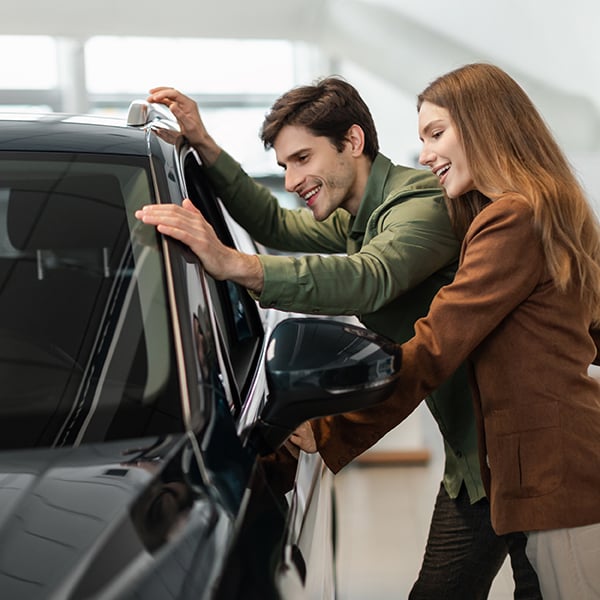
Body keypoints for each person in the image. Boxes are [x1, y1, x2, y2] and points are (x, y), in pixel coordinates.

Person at [135, 77, 541, 598]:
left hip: (518, 452)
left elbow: (369, 278)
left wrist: (234, 264)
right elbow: (275, 225)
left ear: (352, 141)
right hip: (473, 460)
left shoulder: (420, 205)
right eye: (284, 166)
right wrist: (207, 147)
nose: (292, 178)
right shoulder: (356, 218)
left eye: (303, 158)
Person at [291, 63, 600, 600]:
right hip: (535, 477)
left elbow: (436, 347)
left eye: (437, 134)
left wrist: (330, 428)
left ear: (486, 126)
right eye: (422, 139)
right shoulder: (541, 206)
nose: (426, 154)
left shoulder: (513, 220)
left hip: (556, 479)